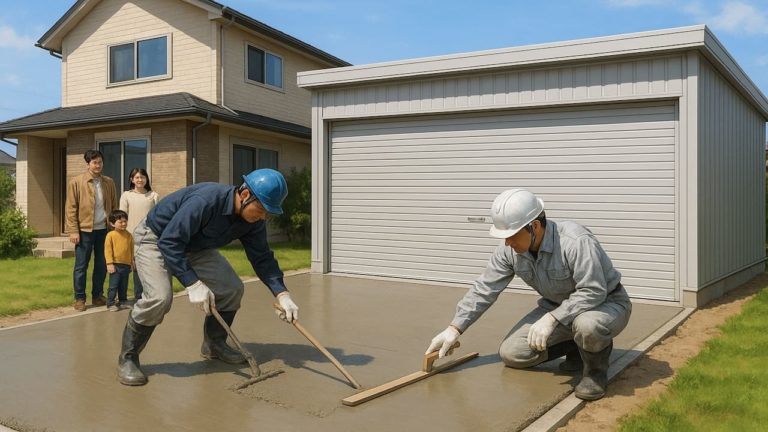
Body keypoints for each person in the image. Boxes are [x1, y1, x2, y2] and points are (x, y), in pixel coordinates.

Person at [425, 189, 632, 401]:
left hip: (605, 304)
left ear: (533, 226)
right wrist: (454, 328)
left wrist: (553, 318)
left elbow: (593, 291)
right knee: (513, 353)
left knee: (588, 326)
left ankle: (595, 372)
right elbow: (484, 288)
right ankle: (578, 347)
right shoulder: (510, 251)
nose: (507, 243)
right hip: (557, 307)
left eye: (511, 236)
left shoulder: (575, 241)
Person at [117, 168, 301, 386]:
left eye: (267, 213)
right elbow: (170, 241)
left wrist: (282, 294)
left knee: (231, 288)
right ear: (244, 195)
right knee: (159, 298)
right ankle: (128, 357)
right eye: (261, 209)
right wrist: (193, 284)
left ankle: (214, 344)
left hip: (195, 247)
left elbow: (262, 258)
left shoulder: (252, 221)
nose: (262, 217)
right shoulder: (205, 201)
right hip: (156, 239)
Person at [65, 149, 118, 312]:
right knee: (81, 266)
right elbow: (71, 208)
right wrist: (73, 230)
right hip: (84, 231)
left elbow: (114, 206)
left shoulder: (109, 182)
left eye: (100, 162)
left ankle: (97, 295)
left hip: (104, 230)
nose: (98, 165)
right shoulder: (76, 182)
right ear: (88, 164)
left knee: (102, 264)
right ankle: (80, 298)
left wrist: (114, 226)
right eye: (94, 162)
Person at [119, 168, 159, 301]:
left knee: (149, 265)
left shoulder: (154, 196)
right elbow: (122, 216)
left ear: (146, 179)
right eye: (137, 177)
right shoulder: (126, 195)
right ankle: (138, 296)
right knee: (135, 267)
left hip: (150, 237)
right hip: (131, 237)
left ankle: (151, 294)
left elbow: (158, 217)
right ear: (131, 180)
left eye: (142, 177)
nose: (140, 180)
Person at [105, 210, 133, 311]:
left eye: (125, 221)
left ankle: (123, 301)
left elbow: (131, 250)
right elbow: (107, 250)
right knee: (113, 285)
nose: (124, 223)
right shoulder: (111, 235)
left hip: (126, 265)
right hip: (115, 265)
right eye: (120, 222)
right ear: (112, 223)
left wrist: (132, 263)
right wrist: (109, 263)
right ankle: (111, 303)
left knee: (123, 285)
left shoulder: (129, 235)